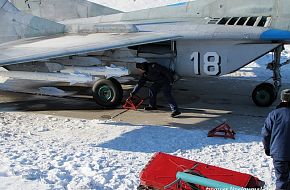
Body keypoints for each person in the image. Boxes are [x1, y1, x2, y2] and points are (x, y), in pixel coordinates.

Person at [262, 89, 290, 190]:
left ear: (282, 99)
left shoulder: (274, 114)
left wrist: (267, 148)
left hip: (279, 154)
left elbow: (265, 134)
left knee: (282, 180)